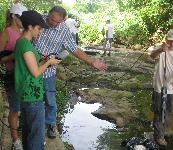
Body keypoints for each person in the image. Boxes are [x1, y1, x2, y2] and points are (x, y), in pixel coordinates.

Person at [32, 6, 107, 139]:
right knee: (31, 97)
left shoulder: (64, 31)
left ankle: (50, 124)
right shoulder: (39, 20)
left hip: (48, 71)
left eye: (57, 22)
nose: (53, 23)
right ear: (48, 14)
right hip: (31, 68)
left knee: (50, 99)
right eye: (51, 19)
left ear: (63, 20)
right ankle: (29, 121)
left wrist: (92, 61)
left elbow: (75, 49)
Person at [15, 10, 61, 150]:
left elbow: (31, 68)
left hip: (25, 93)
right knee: (36, 136)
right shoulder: (26, 45)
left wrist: (44, 61)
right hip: (32, 95)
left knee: (28, 132)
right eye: (39, 28)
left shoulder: (21, 42)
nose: (40, 32)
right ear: (30, 27)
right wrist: (49, 63)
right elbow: (35, 73)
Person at [149, 28, 173, 146]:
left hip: (172, 88)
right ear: (166, 39)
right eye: (170, 41)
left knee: (169, 110)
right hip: (159, 87)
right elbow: (151, 56)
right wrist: (161, 49)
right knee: (159, 111)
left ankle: (163, 130)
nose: (172, 44)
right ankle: (159, 136)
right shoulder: (160, 48)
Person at [0, 3, 27, 150]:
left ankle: (24, 135)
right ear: (13, 16)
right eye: (21, 17)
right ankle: (16, 140)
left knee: (25, 107)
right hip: (11, 76)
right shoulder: (6, 32)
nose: (24, 19)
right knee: (15, 109)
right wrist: (13, 55)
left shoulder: (25, 31)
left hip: (25, 76)